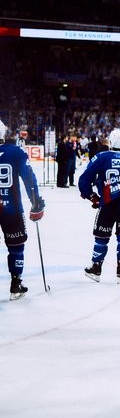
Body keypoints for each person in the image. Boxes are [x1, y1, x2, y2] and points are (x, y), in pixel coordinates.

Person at [78, 128, 120, 283]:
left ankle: (96, 268)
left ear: (110, 142)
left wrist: (91, 196)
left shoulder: (101, 157)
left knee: (102, 237)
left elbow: (84, 179)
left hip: (107, 202)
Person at [0, 120, 45, 300]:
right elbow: (29, 180)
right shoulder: (16, 152)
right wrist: (36, 203)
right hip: (11, 209)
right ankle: (16, 283)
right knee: (16, 247)